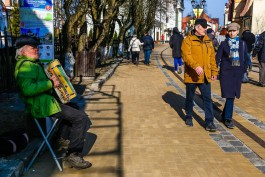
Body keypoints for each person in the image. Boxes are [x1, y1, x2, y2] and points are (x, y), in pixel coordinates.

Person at [14, 35, 92, 169]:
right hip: (41, 106)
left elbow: (42, 81)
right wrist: (50, 83)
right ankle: (73, 154)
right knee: (81, 118)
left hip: (44, 102)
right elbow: (28, 89)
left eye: (37, 48)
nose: (37, 50)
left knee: (73, 106)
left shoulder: (32, 64)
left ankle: (62, 138)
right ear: (23, 51)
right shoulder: (26, 66)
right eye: (33, 48)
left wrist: (60, 79)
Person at [181, 19, 219, 132]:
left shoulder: (208, 41)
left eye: (205, 27)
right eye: (203, 27)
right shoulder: (188, 40)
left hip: (205, 75)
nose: (205, 29)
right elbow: (186, 56)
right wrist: (195, 66)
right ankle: (188, 115)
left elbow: (212, 58)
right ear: (197, 28)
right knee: (190, 98)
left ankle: (209, 122)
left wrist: (214, 71)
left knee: (207, 99)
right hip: (192, 76)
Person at [216, 23, 248, 129]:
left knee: (232, 96)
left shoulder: (242, 44)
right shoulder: (224, 44)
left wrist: (243, 70)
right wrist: (214, 71)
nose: (232, 33)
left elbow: (246, 59)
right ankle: (228, 119)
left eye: (234, 31)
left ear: (238, 31)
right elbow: (217, 58)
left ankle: (224, 115)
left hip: (237, 74)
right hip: (226, 74)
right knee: (230, 96)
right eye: (230, 31)